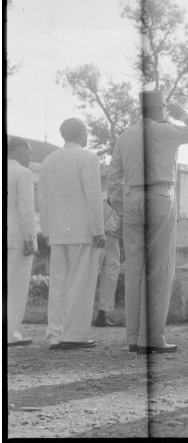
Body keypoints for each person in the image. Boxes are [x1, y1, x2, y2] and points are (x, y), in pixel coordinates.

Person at [107, 91, 188, 355]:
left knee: (134, 269)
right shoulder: (165, 130)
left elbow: (113, 176)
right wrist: (183, 113)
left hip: (132, 199)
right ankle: (151, 336)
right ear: (161, 108)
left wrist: (121, 204)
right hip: (160, 195)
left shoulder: (125, 135)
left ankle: (134, 336)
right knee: (159, 269)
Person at [38, 118, 105, 349]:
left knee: (58, 283)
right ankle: (74, 335)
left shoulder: (48, 160)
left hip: (58, 231)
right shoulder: (88, 158)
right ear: (82, 133)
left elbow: (42, 199)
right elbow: (93, 195)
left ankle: (55, 334)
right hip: (83, 230)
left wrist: (46, 231)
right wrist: (99, 229)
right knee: (80, 283)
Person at [7, 137, 37, 346]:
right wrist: (30, 238)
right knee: (15, 288)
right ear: (18, 152)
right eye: (28, 152)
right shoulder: (23, 174)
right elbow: (26, 209)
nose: (30, 156)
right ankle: (9, 333)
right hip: (16, 237)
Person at [93, 193, 122, 327]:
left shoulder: (124, 199)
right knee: (90, 275)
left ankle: (102, 315)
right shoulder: (101, 199)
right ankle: (80, 315)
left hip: (114, 240)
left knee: (111, 277)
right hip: (98, 240)